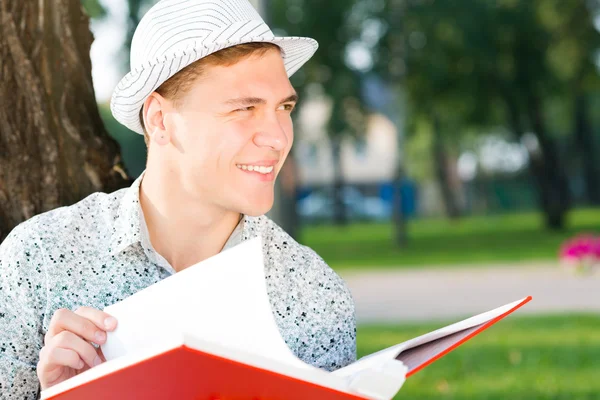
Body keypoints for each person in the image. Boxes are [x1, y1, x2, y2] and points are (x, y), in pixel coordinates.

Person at [0, 0, 356, 398]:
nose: (277, 137)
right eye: (244, 109)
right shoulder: (38, 262)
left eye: (283, 107)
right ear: (159, 119)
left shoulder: (314, 295)